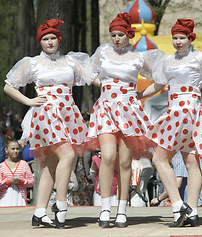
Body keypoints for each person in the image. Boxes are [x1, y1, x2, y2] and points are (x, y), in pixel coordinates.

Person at [139, 18, 202, 227]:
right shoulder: (167, 61)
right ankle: (180, 206)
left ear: (190, 38)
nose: (177, 42)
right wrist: (137, 94)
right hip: (175, 112)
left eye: (181, 38)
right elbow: (157, 85)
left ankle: (189, 210)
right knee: (164, 158)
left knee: (190, 161)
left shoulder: (200, 58)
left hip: (192, 111)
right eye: (175, 38)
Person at [3, 19, 94, 228]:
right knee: (68, 154)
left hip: (67, 113)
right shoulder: (33, 62)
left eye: (53, 38)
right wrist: (29, 101)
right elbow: (9, 87)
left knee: (51, 165)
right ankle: (61, 206)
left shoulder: (70, 62)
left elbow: (93, 77)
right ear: (40, 42)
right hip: (45, 113)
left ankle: (40, 212)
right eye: (45, 39)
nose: (50, 42)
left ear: (59, 40)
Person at [87, 13, 161, 228]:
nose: (116, 38)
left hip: (129, 110)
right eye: (113, 35)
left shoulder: (139, 57)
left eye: (120, 34)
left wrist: (140, 94)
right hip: (106, 109)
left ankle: (122, 209)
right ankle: (105, 207)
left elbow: (160, 79)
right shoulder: (103, 53)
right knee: (107, 157)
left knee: (125, 162)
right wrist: (104, 85)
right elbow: (87, 73)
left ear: (129, 34)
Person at [0, 138, 34, 206]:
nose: (15, 151)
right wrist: (9, 181)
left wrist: (21, 181)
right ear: (6, 150)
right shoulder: (1, 166)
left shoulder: (24, 164)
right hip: (4, 199)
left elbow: (31, 182)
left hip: (20, 199)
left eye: (17, 148)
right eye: (13, 149)